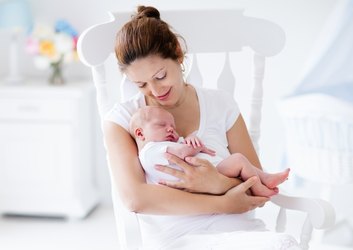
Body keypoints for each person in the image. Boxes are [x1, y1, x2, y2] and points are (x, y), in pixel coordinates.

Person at [104, 5, 299, 249]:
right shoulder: (124, 120)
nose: (155, 91)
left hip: (239, 233)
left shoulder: (220, 104)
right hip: (179, 239)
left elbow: (257, 190)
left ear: (177, 53)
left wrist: (215, 183)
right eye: (141, 84)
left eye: (161, 76)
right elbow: (136, 199)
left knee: (286, 244)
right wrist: (222, 202)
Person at [130, 106, 290, 197]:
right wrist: (195, 145)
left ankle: (265, 178)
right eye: (161, 125)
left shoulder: (167, 143)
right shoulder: (151, 150)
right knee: (239, 160)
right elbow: (182, 153)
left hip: (210, 173)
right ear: (140, 133)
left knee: (240, 162)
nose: (170, 128)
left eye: (173, 125)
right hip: (208, 174)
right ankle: (260, 186)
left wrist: (191, 138)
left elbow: (183, 147)